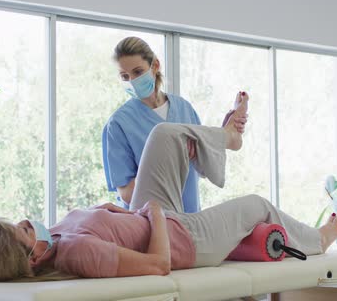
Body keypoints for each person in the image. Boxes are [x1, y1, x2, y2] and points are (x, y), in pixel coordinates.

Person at [0, 96, 337, 281]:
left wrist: (115, 212)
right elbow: (159, 265)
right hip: (182, 238)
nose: (28, 221)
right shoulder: (76, 252)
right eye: (23, 231)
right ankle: (317, 240)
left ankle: (227, 137)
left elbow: (111, 229)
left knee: (163, 135)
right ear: (32, 260)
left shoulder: (56, 240)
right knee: (257, 204)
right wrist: (155, 214)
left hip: (148, 217)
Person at [102, 36, 248, 213]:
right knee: (165, 135)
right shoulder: (119, 124)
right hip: (149, 223)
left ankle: (228, 133)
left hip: (189, 217)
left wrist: (201, 148)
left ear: (155, 66)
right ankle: (228, 135)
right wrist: (168, 161)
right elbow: (126, 193)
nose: (132, 80)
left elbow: (204, 163)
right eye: (125, 76)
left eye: (138, 72)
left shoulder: (183, 108)